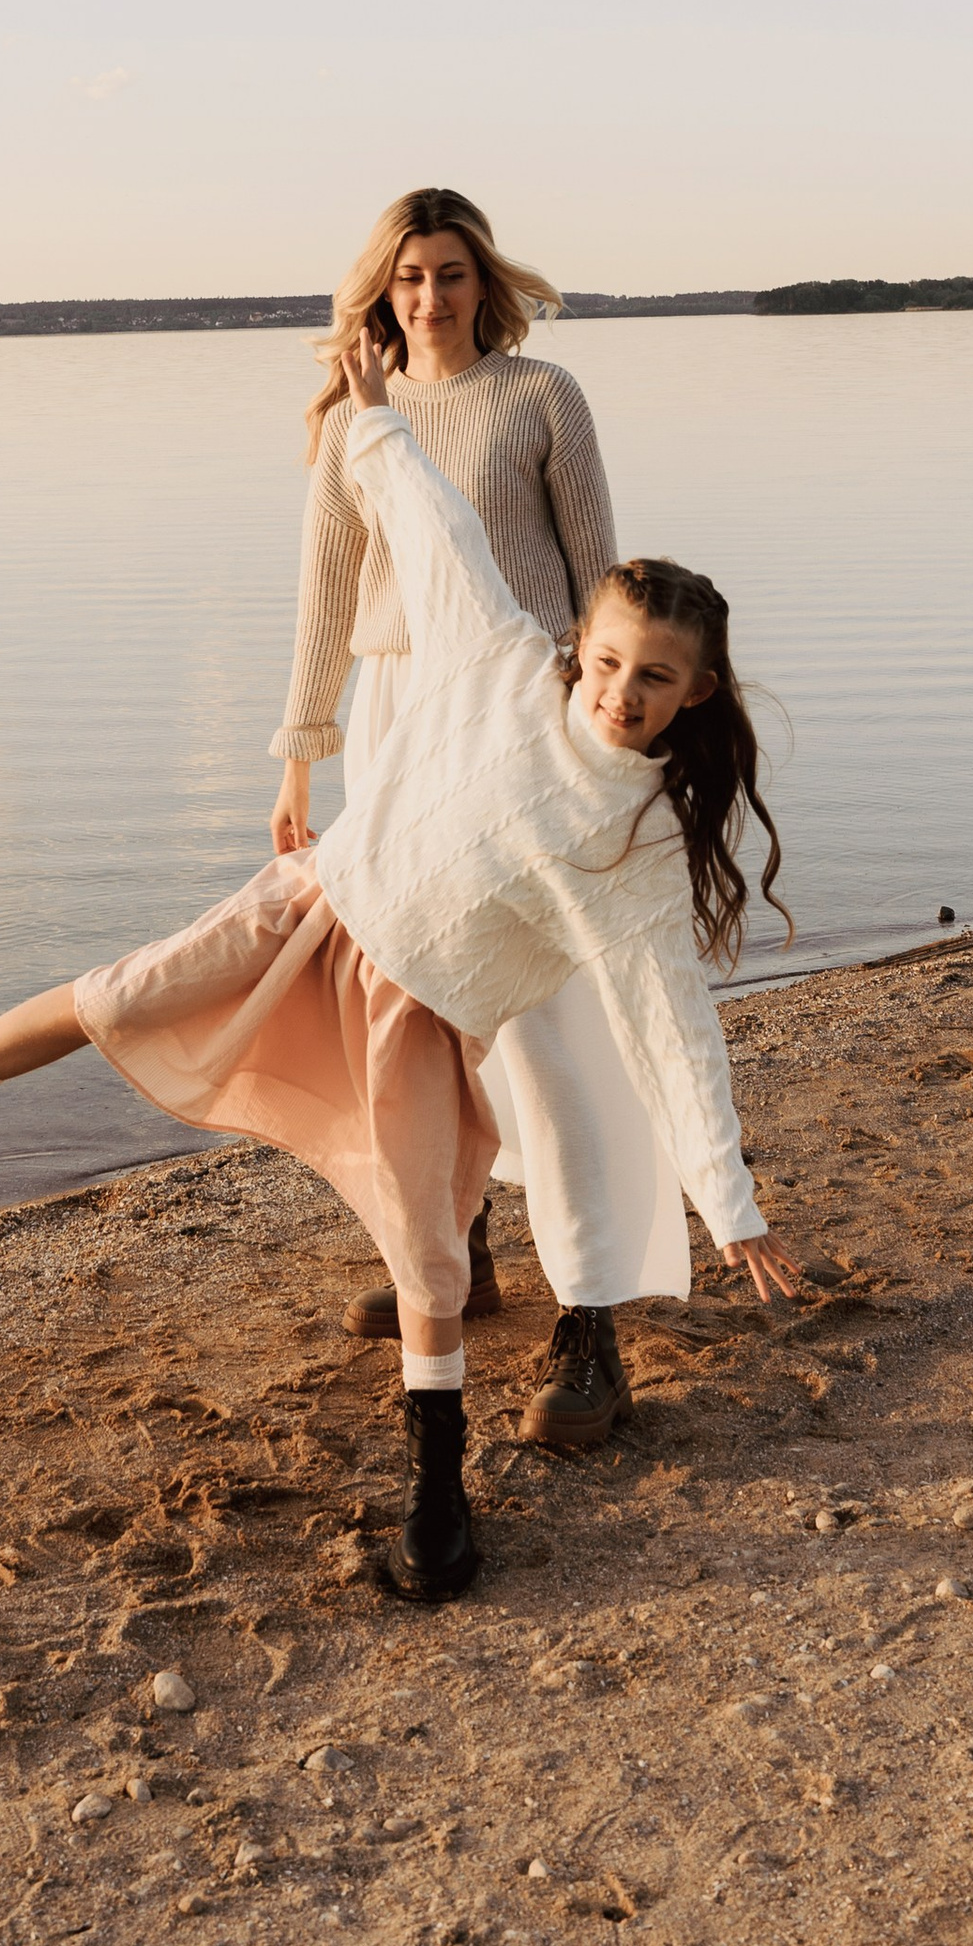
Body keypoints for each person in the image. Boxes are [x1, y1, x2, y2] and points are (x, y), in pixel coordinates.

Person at [0, 334, 802, 1607]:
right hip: (311, 910)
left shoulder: (632, 850)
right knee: (119, 995)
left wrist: (726, 1200)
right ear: (583, 640)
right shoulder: (497, 661)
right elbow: (436, 529)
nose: (623, 693)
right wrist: (372, 421)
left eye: (658, 680)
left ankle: (436, 1486)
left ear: (694, 698)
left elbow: (671, 1026)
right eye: (615, 659)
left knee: (428, 1253)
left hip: (420, 1017)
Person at [271, 186, 694, 1452]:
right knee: (419, 1016)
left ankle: (593, 1320)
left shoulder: (540, 397)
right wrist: (301, 752)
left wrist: (600, 736)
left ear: (481, 281)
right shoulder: (359, 418)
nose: (429, 298)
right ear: (379, 289)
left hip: (522, 721)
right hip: (397, 730)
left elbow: (606, 582)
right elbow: (326, 587)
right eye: (408, 277)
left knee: (555, 1026)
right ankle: (459, 1255)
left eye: (450, 274)